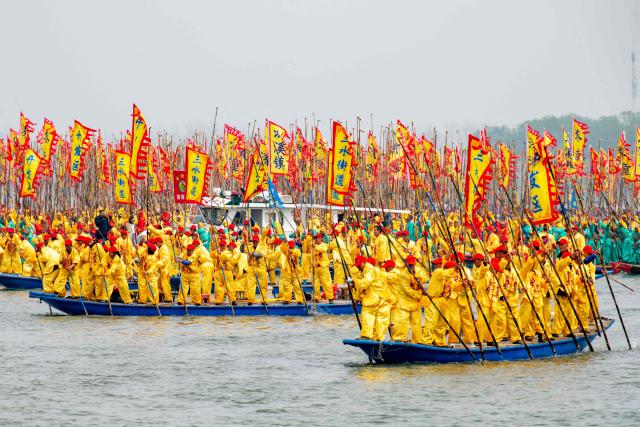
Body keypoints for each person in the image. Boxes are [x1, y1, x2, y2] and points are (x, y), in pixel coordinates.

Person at [351, 256, 392, 341]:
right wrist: (357, 298)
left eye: (359, 265)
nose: (358, 267)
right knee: (366, 316)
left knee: (380, 324)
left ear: (364, 263)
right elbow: (361, 288)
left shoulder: (370, 270)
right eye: (357, 265)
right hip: (372, 298)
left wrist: (354, 281)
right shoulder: (361, 272)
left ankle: (376, 340)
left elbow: (363, 284)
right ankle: (366, 336)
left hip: (381, 298)